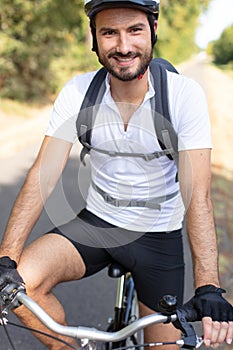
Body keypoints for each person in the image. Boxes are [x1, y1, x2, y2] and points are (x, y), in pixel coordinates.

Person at [0, 0, 232, 349]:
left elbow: (196, 195)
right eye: (109, 32)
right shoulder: (78, 92)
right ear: (94, 38)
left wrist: (208, 286)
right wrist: (7, 258)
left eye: (134, 30)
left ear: (153, 30)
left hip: (159, 237)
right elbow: (42, 175)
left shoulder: (183, 97)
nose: (123, 46)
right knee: (20, 286)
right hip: (98, 223)